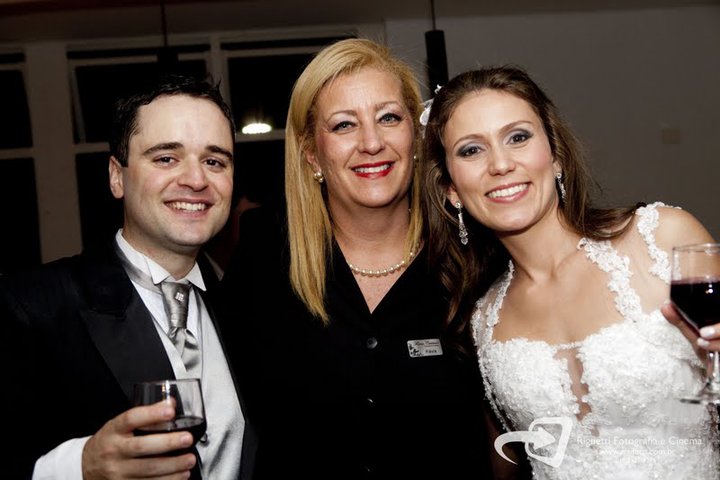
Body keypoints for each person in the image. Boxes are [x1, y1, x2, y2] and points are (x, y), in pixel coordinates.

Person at [421, 64, 720, 479]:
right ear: (452, 190)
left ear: (556, 156)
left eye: (518, 137)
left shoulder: (662, 238)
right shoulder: (483, 320)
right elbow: (505, 466)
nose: (501, 164)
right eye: (471, 150)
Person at [221, 38, 493, 479]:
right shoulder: (264, 257)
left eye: (388, 118)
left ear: (416, 136)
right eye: (344, 125)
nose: (371, 142)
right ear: (312, 154)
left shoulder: (470, 260)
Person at [1, 74, 256, 479]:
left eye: (214, 161)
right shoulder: (32, 307)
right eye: (166, 158)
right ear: (116, 177)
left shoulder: (250, 308)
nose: (196, 180)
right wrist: (80, 467)